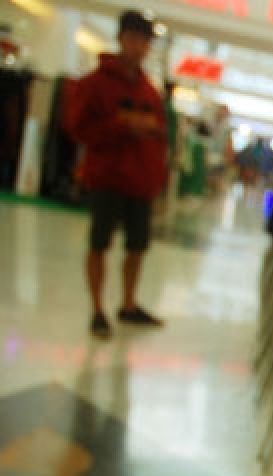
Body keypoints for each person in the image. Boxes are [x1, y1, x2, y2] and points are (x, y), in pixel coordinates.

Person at [64, 10, 167, 339]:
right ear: (122, 38)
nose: (139, 47)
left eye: (145, 42)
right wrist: (120, 125)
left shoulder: (149, 91)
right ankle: (97, 309)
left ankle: (128, 303)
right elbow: (76, 127)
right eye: (135, 39)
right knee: (100, 243)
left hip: (140, 181)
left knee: (137, 247)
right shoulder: (96, 83)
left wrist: (150, 133)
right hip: (107, 177)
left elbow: (160, 132)